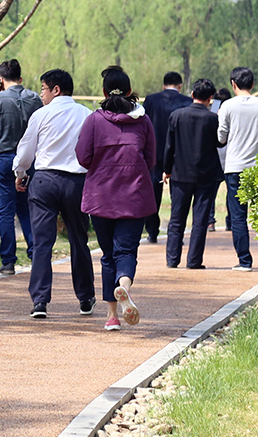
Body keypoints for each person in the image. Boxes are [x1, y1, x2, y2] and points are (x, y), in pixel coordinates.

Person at [76, 66, 156, 330]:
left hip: (101, 197)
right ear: (130, 90)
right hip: (134, 197)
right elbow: (151, 159)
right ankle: (124, 286)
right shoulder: (143, 121)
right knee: (126, 251)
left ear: (103, 92)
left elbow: (83, 157)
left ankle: (112, 317)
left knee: (108, 254)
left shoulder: (94, 120)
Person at [12, 69, 96, 319]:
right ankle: (85, 298)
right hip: (76, 183)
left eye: (43, 89)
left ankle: (40, 301)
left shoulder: (41, 114)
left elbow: (26, 151)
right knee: (79, 241)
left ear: (56, 90)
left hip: (45, 182)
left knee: (42, 243)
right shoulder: (87, 114)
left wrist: (20, 172)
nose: (41, 94)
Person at [0, 59, 43, 276]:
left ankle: (8, 262)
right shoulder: (34, 98)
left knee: (6, 211)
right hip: (28, 159)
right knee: (26, 209)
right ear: (20, 78)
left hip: (4, 158)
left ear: (1, 79)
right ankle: (35, 255)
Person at [163, 79, 223, 270]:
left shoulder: (177, 115)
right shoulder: (212, 119)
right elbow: (219, 142)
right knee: (200, 220)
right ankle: (194, 260)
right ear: (210, 98)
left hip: (180, 174)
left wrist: (167, 169)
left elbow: (169, 146)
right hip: (206, 175)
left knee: (176, 218)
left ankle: (172, 259)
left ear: (192, 94)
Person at [218, 67, 258, 272]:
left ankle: (244, 261)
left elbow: (221, 138)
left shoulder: (227, 106)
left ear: (233, 84)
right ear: (252, 84)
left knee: (238, 216)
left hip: (235, 167)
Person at [142, 72, 192, 242]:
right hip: (179, 155)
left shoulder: (151, 100)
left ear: (164, 85)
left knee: (153, 193)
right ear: (180, 86)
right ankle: (176, 233)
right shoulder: (187, 101)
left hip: (155, 153)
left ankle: (152, 231)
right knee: (177, 196)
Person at [207, 87, 233, 232]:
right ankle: (231, 221)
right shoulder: (232, 111)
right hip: (230, 155)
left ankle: (210, 221)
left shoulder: (212, 113)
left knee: (211, 192)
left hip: (215, 156)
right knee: (232, 192)